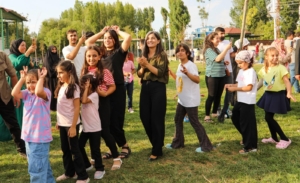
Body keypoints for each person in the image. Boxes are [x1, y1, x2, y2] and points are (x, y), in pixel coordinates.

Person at [85, 25, 132, 158]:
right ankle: (112, 148)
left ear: (115, 40)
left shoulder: (119, 52)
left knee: (117, 120)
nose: (107, 40)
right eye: (105, 38)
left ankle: (124, 145)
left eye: (110, 38)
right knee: (105, 121)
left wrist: (117, 30)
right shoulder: (100, 53)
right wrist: (102, 32)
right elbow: (88, 42)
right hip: (102, 91)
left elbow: (128, 37)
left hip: (116, 89)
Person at [165, 43, 213, 153]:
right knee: (177, 119)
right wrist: (171, 73)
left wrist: (187, 73)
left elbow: (197, 80)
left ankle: (206, 146)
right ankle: (178, 143)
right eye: (178, 51)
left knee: (194, 121)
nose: (179, 52)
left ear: (187, 53)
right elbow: (179, 79)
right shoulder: (180, 64)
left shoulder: (191, 65)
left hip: (190, 99)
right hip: (183, 99)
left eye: (182, 50)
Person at [81, 46, 122, 170]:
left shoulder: (104, 71)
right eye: (89, 56)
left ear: (99, 57)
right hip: (88, 104)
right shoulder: (84, 71)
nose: (91, 58)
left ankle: (116, 157)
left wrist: (104, 93)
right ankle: (94, 158)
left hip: (102, 102)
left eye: (94, 56)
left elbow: (112, 86)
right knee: (91, 132)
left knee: (104, 131)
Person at [11, 66, 55, 182]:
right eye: (28, 83)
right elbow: (14, 93)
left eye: (33, 82)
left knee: (37, 169)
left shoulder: (45, 92)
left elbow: (38, 91)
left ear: (41, 81)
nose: (30, 85)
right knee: (42, 166)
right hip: (28, 137)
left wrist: (41, 79)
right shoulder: (27, 94)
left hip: (39, 139)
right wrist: (22, 79)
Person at [55, 61, 90, 183]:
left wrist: (74, 126)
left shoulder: (74, 87)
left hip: (71, 124)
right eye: (57, 73)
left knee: (74, 150)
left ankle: (83, 176)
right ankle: (69, 172)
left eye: (61, 73)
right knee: (65, 149)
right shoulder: (61, 86)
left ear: (69, 72)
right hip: (63, 123)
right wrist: (58, 121)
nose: (58, 75)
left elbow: (76, 108)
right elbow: (61, 107)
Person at [137, 31, 169, 160]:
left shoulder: (161, 55)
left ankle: (156, 150)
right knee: (144, 116)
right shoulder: (143, 54)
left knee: (156, 118)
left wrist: (147, 65)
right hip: (145, 87)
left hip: (158, 87)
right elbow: (139, 74)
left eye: (153, 38)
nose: (150, 40)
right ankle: (158, 143)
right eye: (148, 38)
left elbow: (160, 73)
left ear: (158, 41)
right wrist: (142, 67)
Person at [257, 47, 295, 149]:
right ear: (266, 57)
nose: (275, 57)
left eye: (276, 55)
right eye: (272, 55)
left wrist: (289, 92)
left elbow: (287, 81)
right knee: (267, 117)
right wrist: (254, 90)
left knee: (269, 117)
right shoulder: (264, 69)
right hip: (268, 95)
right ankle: (274, 138)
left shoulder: (281, 68)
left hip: (277, 95)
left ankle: (285, 139)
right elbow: (261, 81)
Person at [1, 39, 37, 138]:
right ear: (16, 46)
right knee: (16, 108)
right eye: (22, 45)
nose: (24, 47)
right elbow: (16, 65)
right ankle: (16, 132)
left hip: (26, 85)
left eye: (25, 46)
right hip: (15, 85)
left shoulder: (25, 57)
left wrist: (32, 63)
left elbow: (32, 69)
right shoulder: (11, 56)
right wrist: (28, 52)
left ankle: (25, 129)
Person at [225, 50, 258, 154]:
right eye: (237, 63)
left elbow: (249, 87)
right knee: (235, 117)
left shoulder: (251, 72)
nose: (239, 65)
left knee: (247, 124)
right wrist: (230, 85)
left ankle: (250, 146)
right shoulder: (241, 71)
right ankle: (247, 137)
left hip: (248, 101)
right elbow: (239, 84)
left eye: (240, 63)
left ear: (247, 61)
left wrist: (234, 89)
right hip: (241, 100)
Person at [78, 75, 105, 180]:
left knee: (95, 149)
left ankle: (100, 168)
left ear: (91, 85)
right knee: (80, 146)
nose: (83, 86)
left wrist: (87, 88)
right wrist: (85, 89)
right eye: (83, 84)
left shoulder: (94, 94)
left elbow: (84, 101)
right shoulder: (84, 94)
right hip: (86, 127)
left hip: (94, 127)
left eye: (86, 84)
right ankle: (87, 165)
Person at [0, 51, 26, 156]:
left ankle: (22, 149)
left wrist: (16, 95)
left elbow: (13, 75)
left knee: (12, 124)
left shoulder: (2, 55)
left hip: (4, 96)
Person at [203, 32, 232, 122]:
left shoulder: (216, 49)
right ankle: (207, 116)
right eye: (216, 38)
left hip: (221, 75)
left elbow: (219, 60)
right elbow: (217, 59)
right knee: (211, 96)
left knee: (218, 96)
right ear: (211, 40)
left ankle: (214, 113)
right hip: (212, 76)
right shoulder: (208, 50)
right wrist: (226, 49)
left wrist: (224, 62)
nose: (218, 40)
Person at [215, 27, 235, 123]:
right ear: (216, 34)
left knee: (230, 90)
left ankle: (227, 108)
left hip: (229, 70)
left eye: (224, 33)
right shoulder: (214, 43)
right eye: (221, 33)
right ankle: (218, 109)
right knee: (218, 91)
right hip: (219, 71)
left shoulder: (228, 42)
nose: (223, 35)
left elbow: (231, 54)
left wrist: (238, 53)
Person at [43, 45, 60, 111]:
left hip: (57, 77)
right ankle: (51, 106)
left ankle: (56, 106)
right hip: (50, 78)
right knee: (51, 92)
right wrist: (56, 70)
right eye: (52, 50)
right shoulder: (47, 58)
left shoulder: (57, 57)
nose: (54, 51)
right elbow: (49, 68)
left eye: (55, 49)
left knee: (57, 91)